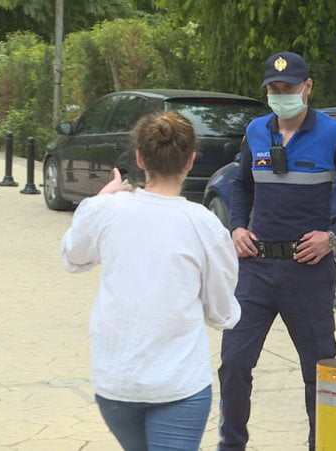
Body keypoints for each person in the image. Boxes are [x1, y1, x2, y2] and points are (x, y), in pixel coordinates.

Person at [218, 51, 336, 450]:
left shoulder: (335, 134)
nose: (280, 95)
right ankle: (231, 444)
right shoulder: (256, 131)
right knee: (234, 364)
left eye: (288, 88)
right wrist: (237, 227)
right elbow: (241, 185)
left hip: (307, 272)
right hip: (256, 269)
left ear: (307, 87)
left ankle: (319, 445)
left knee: (318, 371)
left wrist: (334, 236)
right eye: (273, 88)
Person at [61, 112, 241, 450]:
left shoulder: (107, 210)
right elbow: (221, 313)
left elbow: (74, 257)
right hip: (179, 384)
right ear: (190, 160)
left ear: (140, 158)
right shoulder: (204, 224)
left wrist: (101, 198)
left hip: (116, 382)